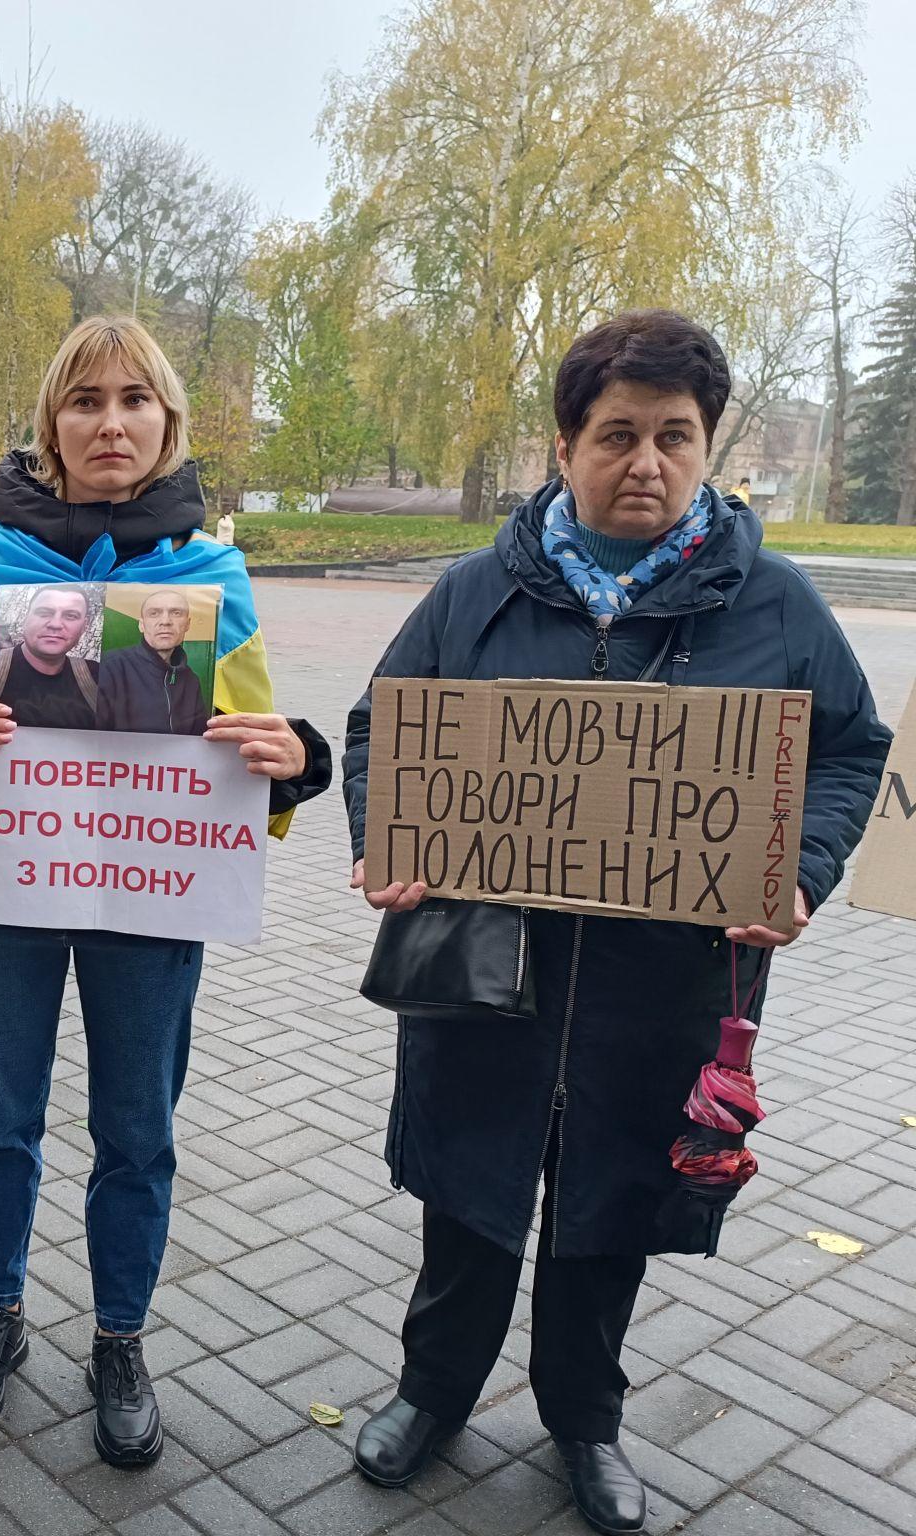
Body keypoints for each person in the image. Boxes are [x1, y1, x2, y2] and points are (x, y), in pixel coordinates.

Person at [341, 310, 891, 1534]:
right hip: (483, 970)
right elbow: (382, 724)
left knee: (610, 1210)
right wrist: (386, 835)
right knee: (467, 1197)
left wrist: (798, 871)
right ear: (563, 447)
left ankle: (583, 1421)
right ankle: (431, 1393)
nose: (645, 463)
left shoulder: (773, 605)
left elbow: (849, 748)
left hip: (661, 984)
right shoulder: (475, 593)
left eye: (672, 437)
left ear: (705, 448)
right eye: (616, 435)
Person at [0, 317, 332, 1466]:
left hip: (153, 890)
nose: (109, 421)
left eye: (133, 399)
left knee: (136, 1128)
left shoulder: (210, 580)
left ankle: (118, 1337)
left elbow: (254, 744)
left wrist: (297, 756)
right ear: (50, 424)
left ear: (167, 422)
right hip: (3, 882)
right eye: (85, 400)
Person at [94, 586, 212, 735]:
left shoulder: (191, 680)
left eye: (176, 613)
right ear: (141, 625)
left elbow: (198, 738)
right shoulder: (109, 667)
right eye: (154, 613)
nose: (165, 621)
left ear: (187, 624)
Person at [0, 584, 99, 729]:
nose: (55, 624)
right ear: (25, 618)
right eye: (44, 613)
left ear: (85, 626)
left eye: (70, 616)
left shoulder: (98, 677)